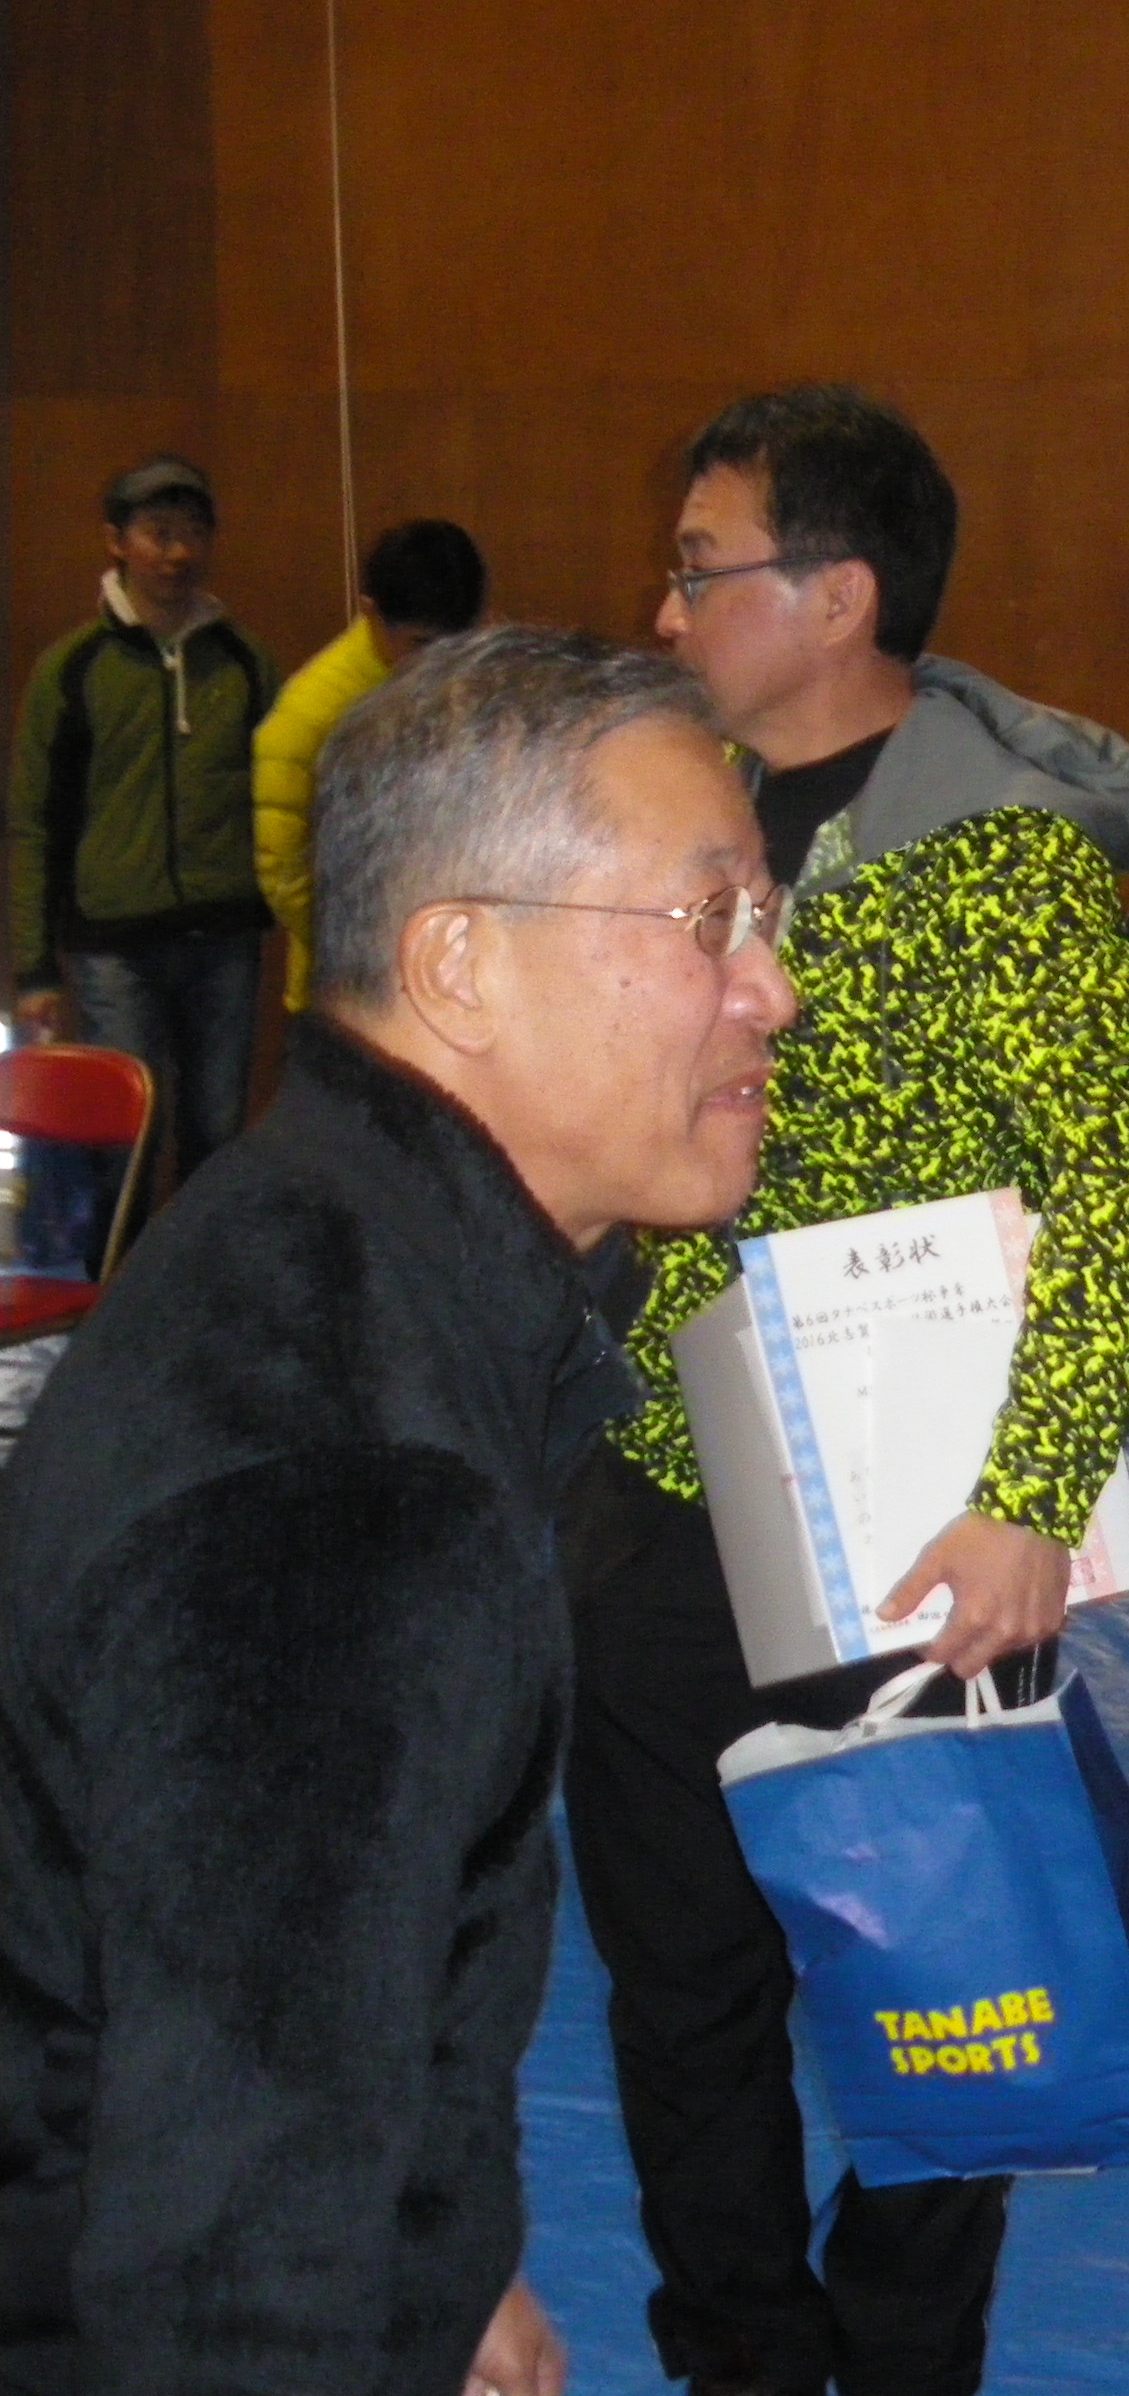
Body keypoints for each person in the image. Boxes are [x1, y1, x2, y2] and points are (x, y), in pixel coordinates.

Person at [0, 625, 793, 2394]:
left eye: (766, 914)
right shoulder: (344, 1481)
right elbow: (223, 2270)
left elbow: (317, 1998)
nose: (773, 989)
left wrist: (442, 2258)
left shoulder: (336, 1241)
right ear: (459, 964)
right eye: (709, 917)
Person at [568, 383, 1129, 2396]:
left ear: (838, 595)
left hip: (911, 1527)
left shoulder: (993, 856)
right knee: (680, 1995)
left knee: (948, 1979)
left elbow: (1120, 1177)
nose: (666, 611)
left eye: (702, 569)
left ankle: (907, 2357)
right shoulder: (672, 835)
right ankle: (742, 2356)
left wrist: (1029, 1497)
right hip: (661, 1496)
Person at [8, 455, 278, 1193]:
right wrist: (34, 968)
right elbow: (34, 823)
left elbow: (281, 801)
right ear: (116, 542)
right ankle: (120, 1267)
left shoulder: (243, 662)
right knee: (122, 1141)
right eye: (159, 533)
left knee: (218, 1133)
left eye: (193, 533)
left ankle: (205, 1268)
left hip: (223, 937)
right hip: (114, 947)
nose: (178, 552)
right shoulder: (72, 668)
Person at [255, 516, 490, 1010]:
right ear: (371, 613)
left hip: (456, 976)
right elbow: (283, 870)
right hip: (348, 989)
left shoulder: (480, 683)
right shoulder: (308, 717)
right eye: (420, 644)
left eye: (456, 642)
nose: (440, 661)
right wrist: (372, 949)